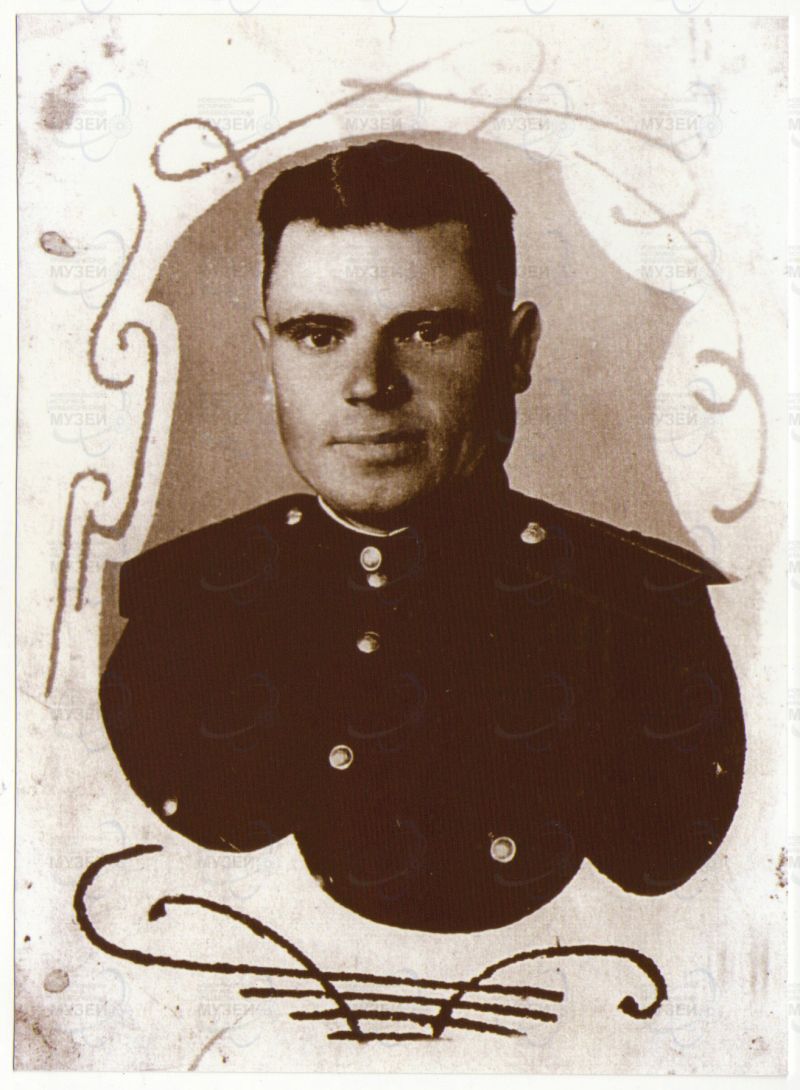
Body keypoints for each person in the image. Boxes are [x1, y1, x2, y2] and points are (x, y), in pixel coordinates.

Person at [99, 140, 746, 934]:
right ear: (268, 359)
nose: (370, 384)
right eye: (319, 334)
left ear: (516, 352)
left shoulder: (647, 615)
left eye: (426, 331)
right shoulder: (177, 610)